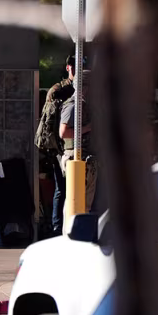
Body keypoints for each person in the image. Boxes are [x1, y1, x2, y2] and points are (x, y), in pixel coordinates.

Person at [36, 55, 75, 235]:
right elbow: (49, 122)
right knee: (62, 188)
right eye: (74, 68)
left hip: (79, 146)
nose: (76, 71)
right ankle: (57, 228)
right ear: (68, 68)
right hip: (61, 147)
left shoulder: (84, 88)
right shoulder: (58, 90)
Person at [59, 69, 97, 213]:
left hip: (86, 161)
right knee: (75, 205)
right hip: (76, 159)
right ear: (86, 87)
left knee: (84, 206)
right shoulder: (73, 105)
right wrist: (87, 128)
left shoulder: (86, 105)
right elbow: (63, 133)